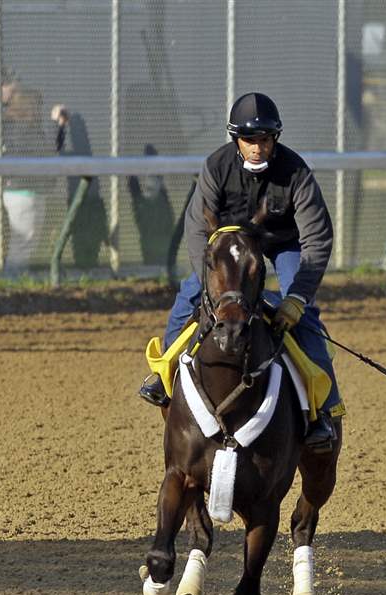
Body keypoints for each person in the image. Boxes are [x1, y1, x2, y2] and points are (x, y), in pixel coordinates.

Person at [137, 92, 341, 451]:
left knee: (306, 316)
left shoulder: (296, 171)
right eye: (249, 140)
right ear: (236, 139)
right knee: (187, 298)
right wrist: (209, 280)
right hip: (229, 247)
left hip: (283, 244)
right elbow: (196, 229)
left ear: (275, 138)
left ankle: (322, 412)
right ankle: (163, 377)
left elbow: (317, 236)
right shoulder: (216, 166)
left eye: (265, 140)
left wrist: (296, 297)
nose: (258, 148)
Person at [0, 73, 68, 275]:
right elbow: (44, 152)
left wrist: (59, 127)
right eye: (34, 106)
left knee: (22, 243)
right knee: (20, 242)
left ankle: (9, 277)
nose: (38, 111)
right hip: (20, 191)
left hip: (26, 190)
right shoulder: (16, 128)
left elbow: (49, 151)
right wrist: (54, 124)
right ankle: (9, 280)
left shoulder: (25, 128)